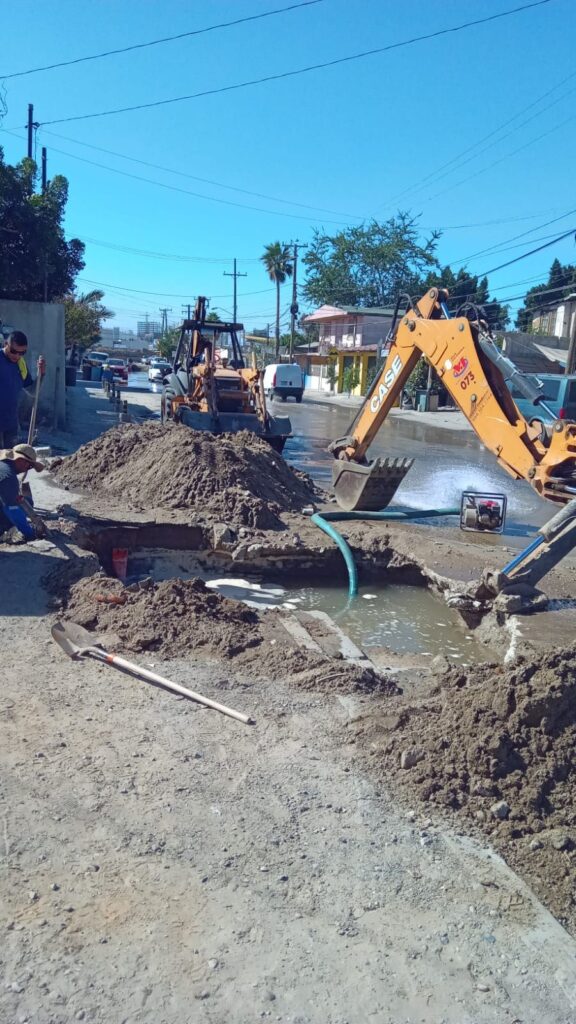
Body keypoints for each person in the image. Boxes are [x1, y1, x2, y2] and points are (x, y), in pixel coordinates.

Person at [0, 330, 45, 448]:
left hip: (11, 426)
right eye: (14, 351)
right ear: (5, 344)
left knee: (9, 462)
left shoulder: (21, 365)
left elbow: (32, 391)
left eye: (22, 353)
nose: (17, 356)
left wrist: (41, 375)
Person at [0, 444, 45, 541]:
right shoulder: (8, 477)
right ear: (21, 461)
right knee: (16, 509)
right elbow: (13, 511)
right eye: (29, 466)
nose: (27, 469)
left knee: (27, 501)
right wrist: (31, 534)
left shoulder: (3, 466)